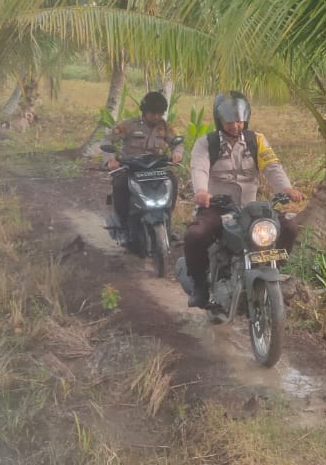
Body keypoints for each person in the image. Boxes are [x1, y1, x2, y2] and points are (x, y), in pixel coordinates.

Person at [185, 91, 305, 308]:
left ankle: (274, 267)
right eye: (230, 121)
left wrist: (286, 188)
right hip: (217, 207)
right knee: (196, 234)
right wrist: (202, 191)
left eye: (239, 121)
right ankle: (200, 286)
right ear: (219, 120)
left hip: (251, 208)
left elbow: (272, 167)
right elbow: (199, 168)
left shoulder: (256, 140)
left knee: (289, 225)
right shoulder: (206, 143)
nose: (235, 126)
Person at [105, 91, 183, 234]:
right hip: (130, 168)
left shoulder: (165, 127)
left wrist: (177, 154)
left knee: (172, 181)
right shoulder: (129, 125)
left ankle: (166, 221)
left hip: (155, 167)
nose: (157, 117)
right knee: (120, 183)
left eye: (160, 113)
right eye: (153, 113)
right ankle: (122, 223)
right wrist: (111, 159)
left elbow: (177, 143)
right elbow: (107, 139)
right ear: (144, 111)